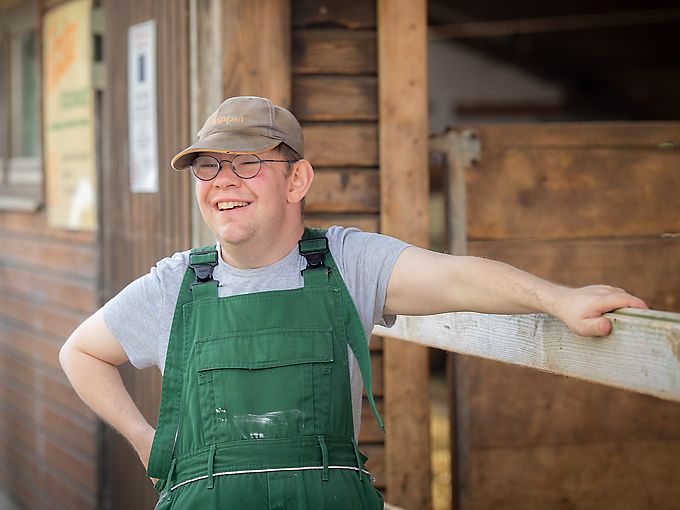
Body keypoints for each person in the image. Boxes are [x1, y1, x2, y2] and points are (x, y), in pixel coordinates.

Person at [60, 96, 647, 509]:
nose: (223, 181)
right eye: (208, 167)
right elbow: (81, 353)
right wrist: (149, 444)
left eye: (247, 163)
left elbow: (457, 277)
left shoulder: (345, 263)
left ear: (297, 180)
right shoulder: (175, 285)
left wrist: (557, 299)